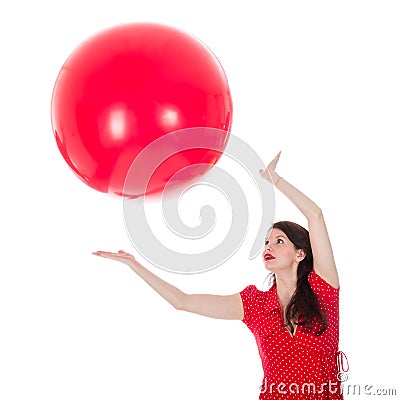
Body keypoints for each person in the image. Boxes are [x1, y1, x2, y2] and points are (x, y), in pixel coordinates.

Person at [93, 152, 347, 399]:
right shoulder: (254, 305)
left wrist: (276, 181)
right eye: (266, 242)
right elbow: (183, 301)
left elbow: (315, 216)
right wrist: (134, 265)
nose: (268, 247)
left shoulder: (322, 288)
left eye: (279, 241)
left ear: (300, 253)